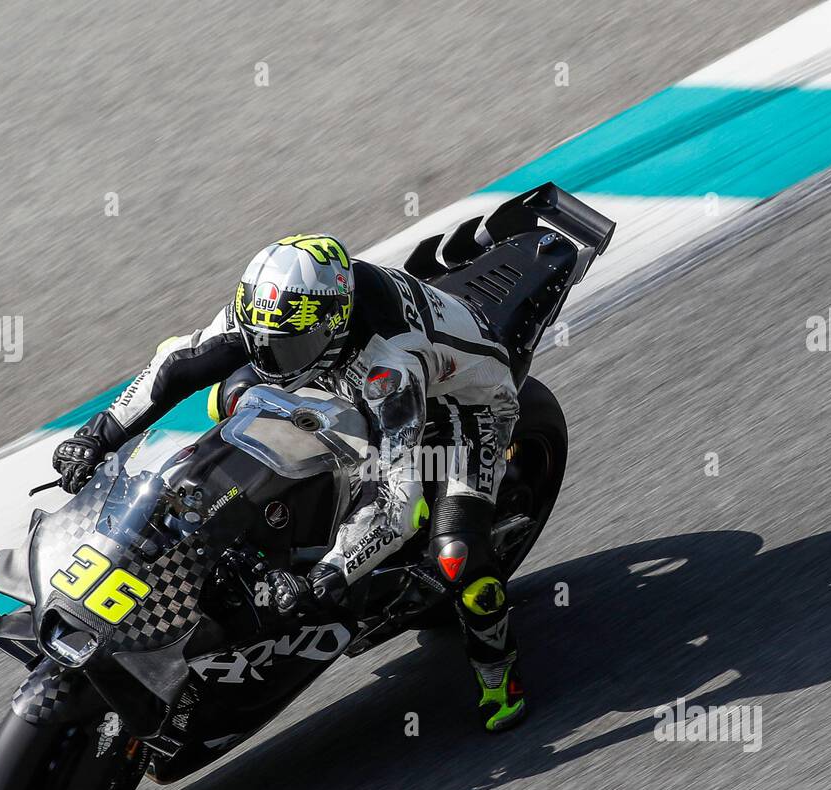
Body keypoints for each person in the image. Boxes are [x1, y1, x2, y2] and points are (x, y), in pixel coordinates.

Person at [52, 234, 527, 731]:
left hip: (464, 409)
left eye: (289, 347)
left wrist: (326, 576)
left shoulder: (392, 367)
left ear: (333, 325)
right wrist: (98, 434)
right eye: (263, 342)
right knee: (234, 394)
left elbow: (400, 502)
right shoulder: (278, 312)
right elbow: (177, 363)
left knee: (457, 554)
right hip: (344, 375)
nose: (272, 359)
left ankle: (498, 672)